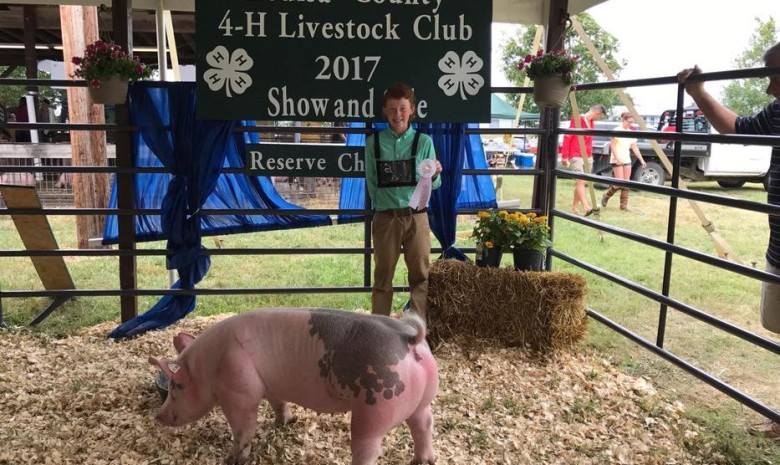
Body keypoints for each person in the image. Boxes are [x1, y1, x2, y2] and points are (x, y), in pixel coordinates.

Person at [678, 41, 780, 439]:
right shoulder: (779, 111)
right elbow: (738, 129)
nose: (769, 88)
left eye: (772, 76)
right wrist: (699, 92)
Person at [364, 82, 443, 321]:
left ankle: (416, 330)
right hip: (386, 219)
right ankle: (379, 329)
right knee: (382, 277)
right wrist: (384, 204)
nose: (397, 114)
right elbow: (371, 182)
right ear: (384, 112)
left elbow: (434, 184)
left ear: (412, 110)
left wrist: (436, 173)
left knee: (420, 276)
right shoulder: (373, 143)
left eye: (402, 108)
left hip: (417, 218)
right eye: (391, 109)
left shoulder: (424, 142)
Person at [560, 104, 607, 216]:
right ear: (597, 113)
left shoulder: (591, 122)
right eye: (600, 116)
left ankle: (574, 206)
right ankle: (586, 207)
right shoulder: (577, 119)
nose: (599, 118)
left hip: (588, 155)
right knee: (580, 180)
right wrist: (564, 156)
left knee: (582, 182)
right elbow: (568, 136)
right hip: (576, 154)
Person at [601, 112, 647, 210]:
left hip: (626, 159)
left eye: (632, 122)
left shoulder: (631, 132)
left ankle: (623, 205)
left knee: (627, 183)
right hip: (617, 158)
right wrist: (617, 158)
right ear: (624, 120)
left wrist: (641, 160)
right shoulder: (616, 130)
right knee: (619, 183)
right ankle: (606, 195)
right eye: (629, 122)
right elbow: (612, 145)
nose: (631, 124)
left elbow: (634, 147)